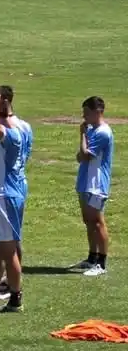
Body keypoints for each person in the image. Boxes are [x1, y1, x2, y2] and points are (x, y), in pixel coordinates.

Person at [0, 86, 31, 311]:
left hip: (4, 195)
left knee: (8, 250)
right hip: (15, 190)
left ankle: (15, 297)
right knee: (1, 247)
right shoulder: (24, 128)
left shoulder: (11, 135)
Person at [73, 96, 114, 277]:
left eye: (87, 112)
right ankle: (92, 257)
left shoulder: (102, 132)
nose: (84, 116)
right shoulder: (92, 130)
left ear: (97, 112)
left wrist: (82, 134)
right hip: (85, 182)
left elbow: (85, 155)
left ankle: (101, 263)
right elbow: (79, 156)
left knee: (98, 222)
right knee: (88, 221)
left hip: (96, 184)